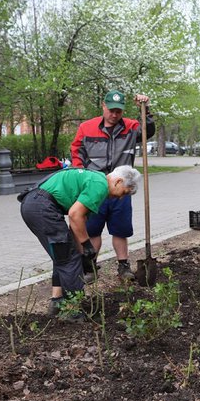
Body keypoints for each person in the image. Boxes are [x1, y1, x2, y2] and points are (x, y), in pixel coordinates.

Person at [20, 165, 142, 319]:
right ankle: (73, 311)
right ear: (118, 182)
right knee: (69, 259)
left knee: (63, 254)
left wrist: (83, 254)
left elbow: (78, 222)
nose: (121, 198)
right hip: (41, 207)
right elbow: (74, 214)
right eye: (124, 193)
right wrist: (87, 246)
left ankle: (57, 302)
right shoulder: (100, 186)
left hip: (34, 204)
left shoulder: (96, 179)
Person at [71, 90, 154, 282]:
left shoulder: (132, 127)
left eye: (119, 111)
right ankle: (90, 267)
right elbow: (77, 151)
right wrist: (79, 173)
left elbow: (147, 132)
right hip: (94, 188)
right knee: (92, 230)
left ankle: (123, 267)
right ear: (103, 106)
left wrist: (146, 110)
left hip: (121, 188)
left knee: (121, 229)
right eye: (111, 110)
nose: (115, 115)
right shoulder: (87, 127)